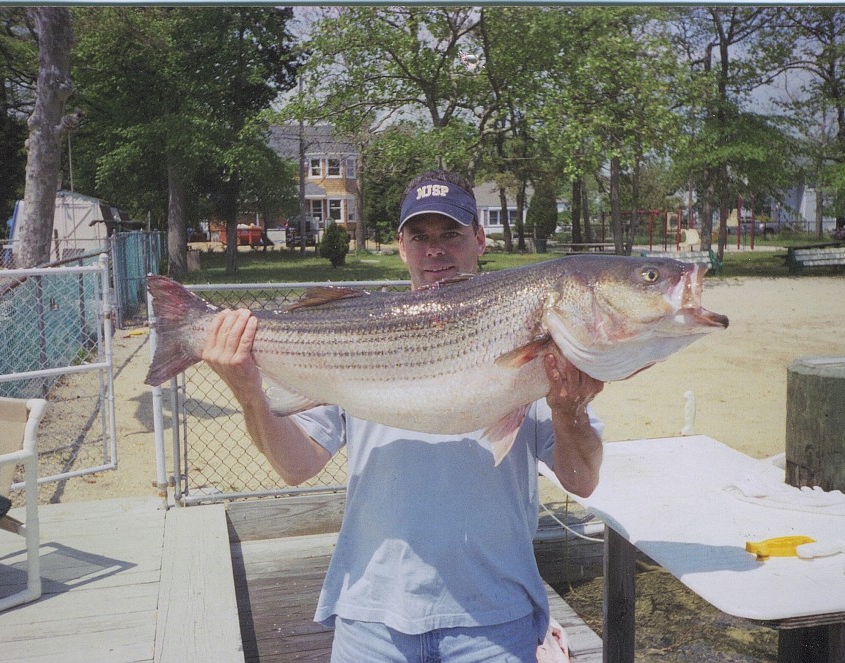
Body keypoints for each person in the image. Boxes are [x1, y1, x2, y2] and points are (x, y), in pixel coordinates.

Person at [201, 169, 604, 662]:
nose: (435, 250)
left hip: (495, 620)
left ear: (479, 238)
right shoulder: (357, 335)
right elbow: (296, 465)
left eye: (451, 234)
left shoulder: (537, 339)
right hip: (371, 616)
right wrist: (250, 394)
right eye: (421, 236)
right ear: (401, 245)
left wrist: (570, 413)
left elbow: (581, 482)